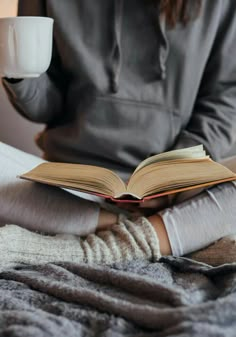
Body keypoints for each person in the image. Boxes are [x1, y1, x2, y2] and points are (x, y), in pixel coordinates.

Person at [1, 0, 236, 265]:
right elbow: (46, 108)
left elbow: (226, 96)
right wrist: (19, 74)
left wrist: (175, 174)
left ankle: (99, 243)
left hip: (177, 187)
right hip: (72, 186)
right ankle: (160, 231)